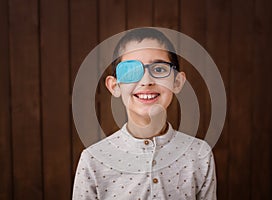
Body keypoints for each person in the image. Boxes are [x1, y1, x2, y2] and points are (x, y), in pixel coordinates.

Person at [72, 28, 217, 200]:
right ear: (115, 86)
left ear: (177, 82)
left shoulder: (199, 154)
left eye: (160, 69)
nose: (146, 81)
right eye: (131, 71)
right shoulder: (93, 160)